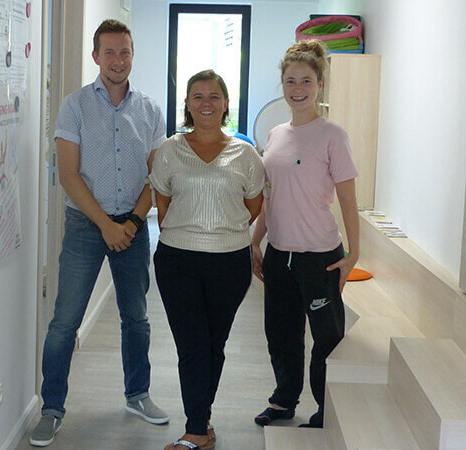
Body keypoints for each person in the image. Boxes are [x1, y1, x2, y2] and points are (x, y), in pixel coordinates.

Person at [29, 19, 169, 447]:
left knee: (136, 318)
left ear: (132, 55)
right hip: (85, 227)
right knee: (64, 322)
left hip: (132, 227)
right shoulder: (74, 106)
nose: (117, 60)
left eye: (124, 52)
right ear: (96, 56)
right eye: (109, 52)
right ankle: (51, 409)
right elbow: (68, 175)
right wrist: (106, 226)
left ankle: (137, 395)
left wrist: (131, 224)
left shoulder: (149, 110)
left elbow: (156, 176)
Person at [150, 70, 265, 449]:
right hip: (177, 262)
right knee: (193, 346)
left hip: (229, 264)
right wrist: (191, 231)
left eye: (214, 96)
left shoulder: (246, 154)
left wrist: (221, 232)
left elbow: (252, 207)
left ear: (226, 103)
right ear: (186, 103)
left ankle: (202, 422)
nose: (206, 103)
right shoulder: (170, 150)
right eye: (197, 96)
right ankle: (197, 430)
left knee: (214, 344)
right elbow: (163, 205)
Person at [251, 39, 360, 429]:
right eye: (290, 81)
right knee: (281, 334)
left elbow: (347, 199)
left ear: (320, 85)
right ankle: (283, 401)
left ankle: (326, 408)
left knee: (325, 339)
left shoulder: (333, 135)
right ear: (282, 85)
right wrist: (255, 240)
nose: (297, 89)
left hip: (320, 256)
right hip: (279, 253)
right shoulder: (275, 135)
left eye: (306, 81)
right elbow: (271, 196)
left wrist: (353, 254)